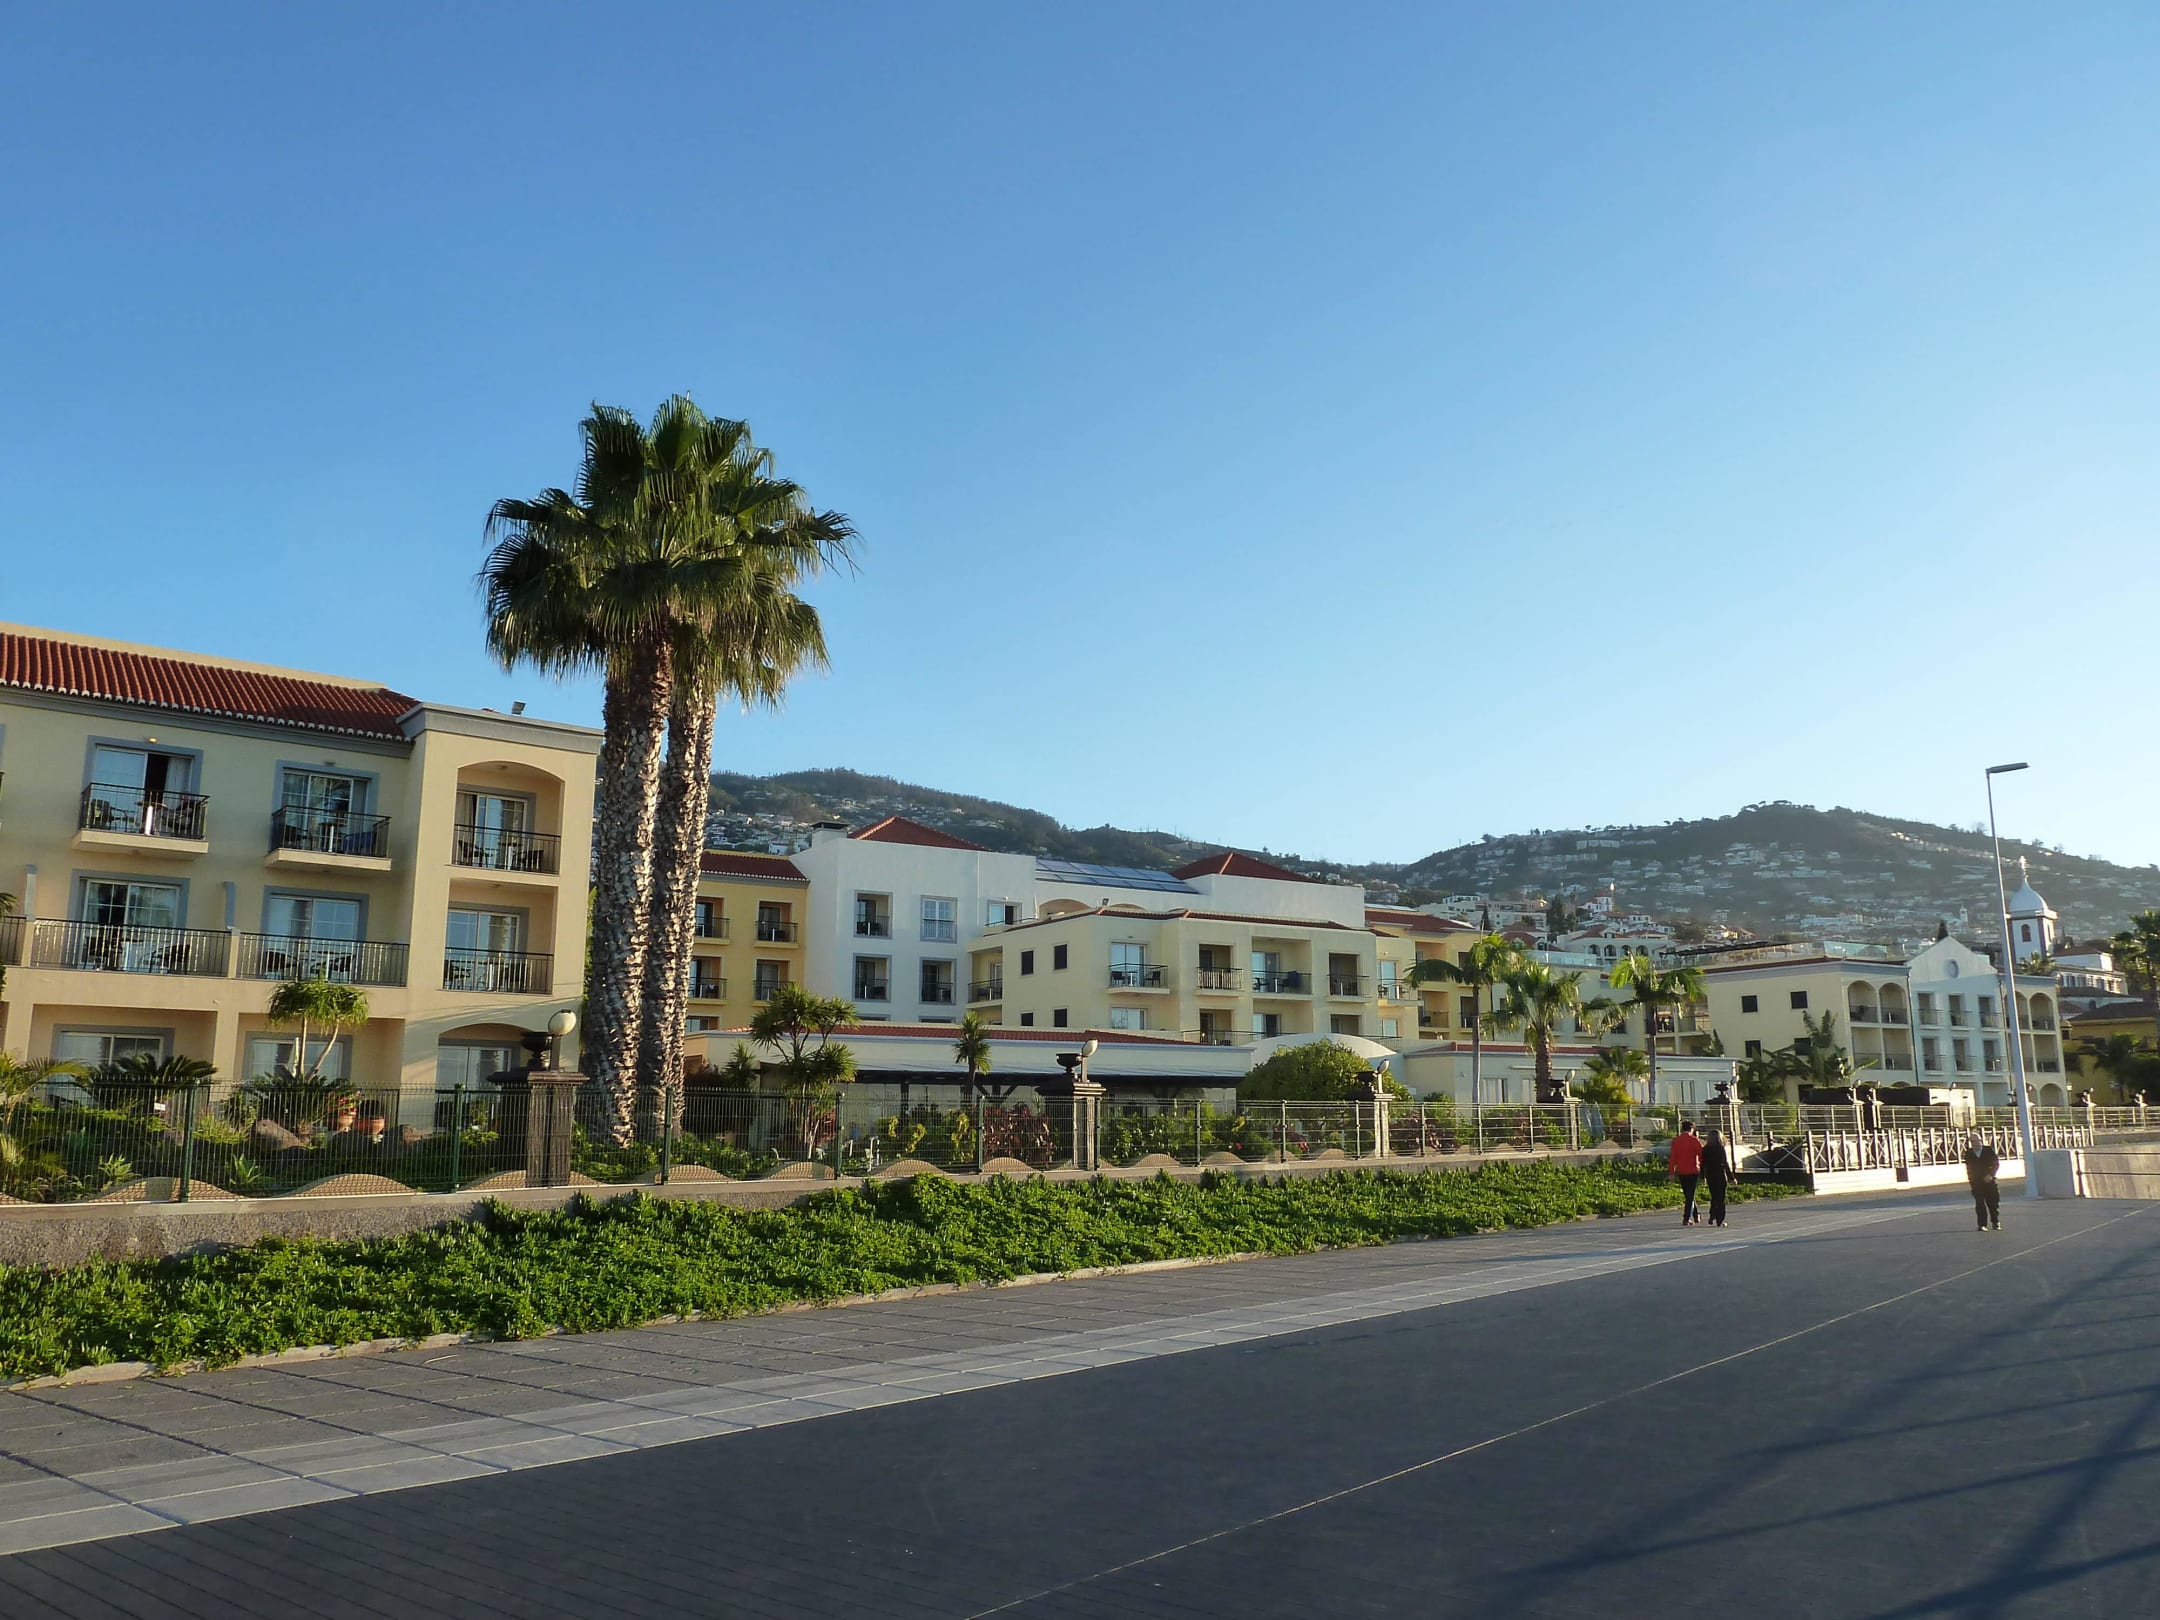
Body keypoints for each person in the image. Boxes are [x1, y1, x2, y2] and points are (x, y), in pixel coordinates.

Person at [1962, 1134, 2002, 1232]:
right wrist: (1971, 1181)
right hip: (1977, 1183)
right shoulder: (1969, 1153)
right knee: (1979, 1204)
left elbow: (1996, 1164)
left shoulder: (1988, 1150)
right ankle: (1982, 1224)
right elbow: (1969, 1169)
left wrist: (1991, 1175)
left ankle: (1995, 1222)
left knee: (1993, 1203)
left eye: (1977, 1141)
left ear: (1981, 1140)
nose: (1975, 1143)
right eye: (1973, 1142)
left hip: (1989, 1181)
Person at [1669, 1120, 1704, 1225]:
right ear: (1692, 1129)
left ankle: (1696, 1215)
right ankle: (1686, 1217)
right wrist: (1703, 1171)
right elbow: (1702, 1156)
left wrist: (1671, 1172)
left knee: (1688, 1194)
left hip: (1681, 1170)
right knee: (1690, 1195)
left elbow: (1673, 1157)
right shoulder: (1694, 1140)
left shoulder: (1676, 1141)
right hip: (1693, 1170)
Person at [1702, 1126, 1736, 1228]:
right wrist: (1731, 1177)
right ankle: (1720, 1219)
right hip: (1720, 1174)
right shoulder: (1720, 1148)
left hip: (1710, 1174)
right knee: (1721, 1198)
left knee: (1714, 1196)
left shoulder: (1705, 1149)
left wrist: (1703, 1177)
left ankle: (1712, 1215)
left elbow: (1703, 1164)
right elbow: (1725, 1163)